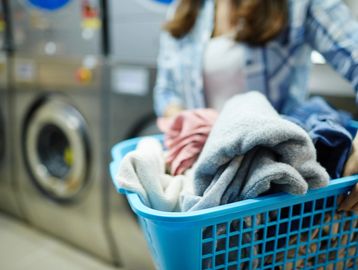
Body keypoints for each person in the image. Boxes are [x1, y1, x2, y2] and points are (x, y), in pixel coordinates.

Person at [153, 0, 358, 211]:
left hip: (277, 172)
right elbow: (167, 91)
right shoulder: (184, 8)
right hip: (209, 162)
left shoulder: (297, 5)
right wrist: (189, 128)